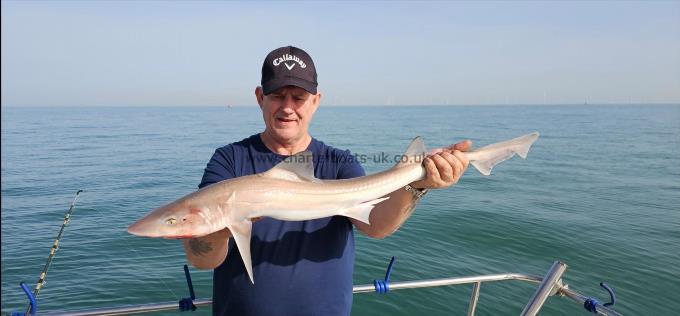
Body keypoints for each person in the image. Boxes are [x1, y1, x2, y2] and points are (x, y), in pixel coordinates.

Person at [182, 46, 471, 316]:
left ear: (316, 101)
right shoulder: (229, 160)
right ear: (260, 97)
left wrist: (416, 184)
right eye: (277, 96)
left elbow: (377, 226)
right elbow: (202, 260)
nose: (287, 107)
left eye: (298, 98)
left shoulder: (339, 162)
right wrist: (218, 230)